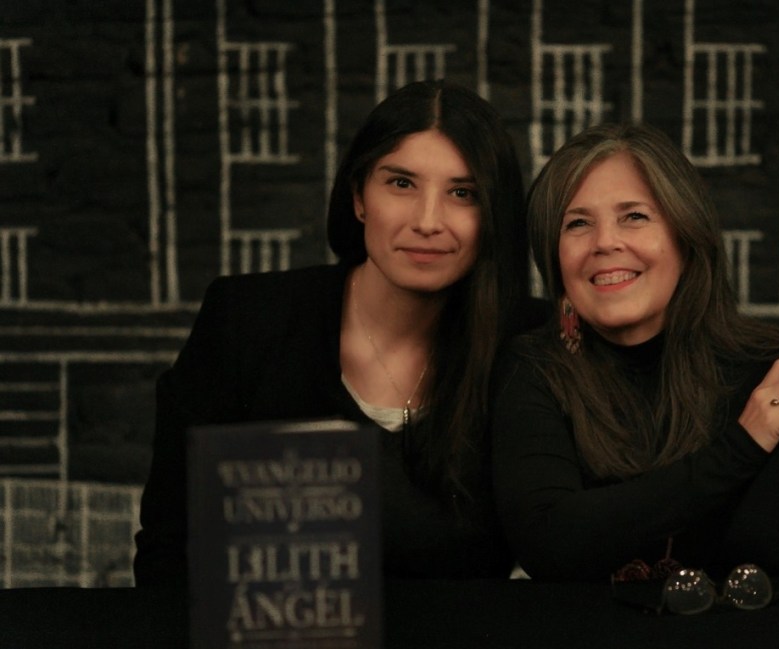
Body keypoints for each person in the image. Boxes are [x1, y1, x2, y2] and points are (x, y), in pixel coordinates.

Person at [134, 79, 541, 585]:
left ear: (494, 214)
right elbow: (170, 546)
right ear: (359, 197)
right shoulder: (248, 319)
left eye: (463, 193)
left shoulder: (530, 344)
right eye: (401, 184)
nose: (428, 221)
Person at [491, 123, 779, 582]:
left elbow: (771, 554)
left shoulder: (776, 372)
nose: (604, 242)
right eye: (578, 223)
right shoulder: (533, 369)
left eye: (634, 216)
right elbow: (549, 543)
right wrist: (743, 445)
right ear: (554, 256)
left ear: (686, 236)